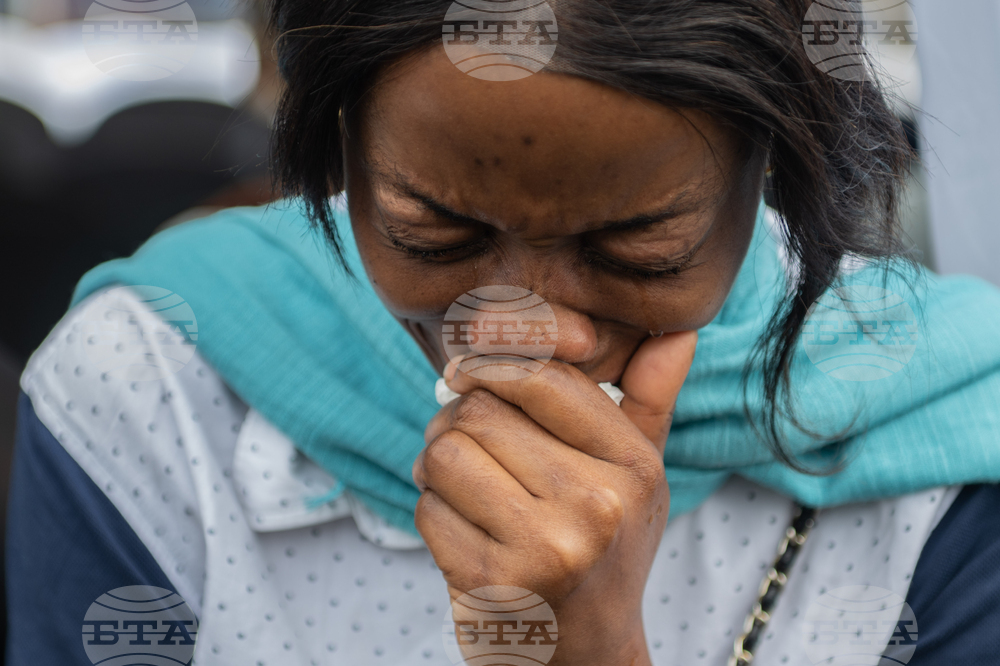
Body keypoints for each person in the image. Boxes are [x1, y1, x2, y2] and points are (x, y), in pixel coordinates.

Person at [7, 1, 1000, 664]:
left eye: (638, 248)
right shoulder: (155, 384)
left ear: (772, 168)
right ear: (336, 151)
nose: (522, 332)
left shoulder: (951, 446)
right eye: (431, 234)